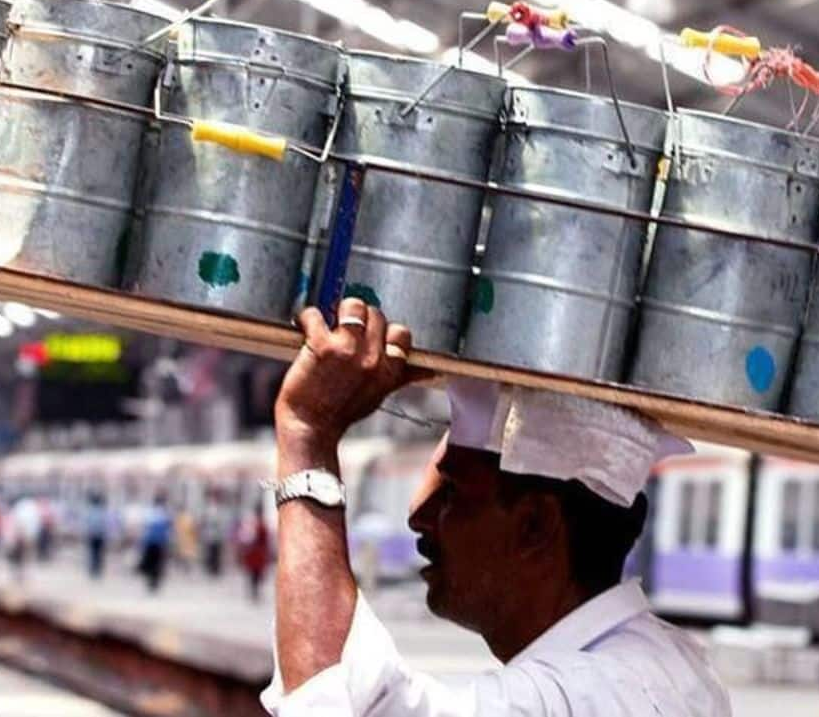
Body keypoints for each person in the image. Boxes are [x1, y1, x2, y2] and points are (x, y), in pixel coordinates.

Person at [260, 298, 730, 716]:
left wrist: (308, 436)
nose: (419, 516)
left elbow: (339, 703)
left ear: (535, 525)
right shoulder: (670, 670)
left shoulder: (585, 693)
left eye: (454, 491)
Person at [137, 493, 172, 593]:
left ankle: (151, 583)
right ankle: (155, 583)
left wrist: (143, 541)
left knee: (151, 563)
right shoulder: (165, 513)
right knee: (157, 564)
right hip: (160, 543)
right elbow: (168, 530)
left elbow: (145, 529)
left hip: (151, 542)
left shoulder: (150, 513)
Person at [238, 501, 272, 602]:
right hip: (256, 553)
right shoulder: (258, 525)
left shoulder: (256, 525)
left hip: (255, 553)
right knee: (255, 574)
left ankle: (254, 592)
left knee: (255, 574)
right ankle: (254, 592)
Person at [199, 488, 231, 578]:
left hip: (217, 535)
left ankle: (215, 569)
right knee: (211, 553)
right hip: (210, 535)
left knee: (216, 553)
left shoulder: (220, 508)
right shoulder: (208, 508)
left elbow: (223, 521)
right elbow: (204, 521)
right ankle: (211, 568)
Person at [85, 491, 111, 579]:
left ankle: (93, 570)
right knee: (99, 553)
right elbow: (106, 524)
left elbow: (87, 524)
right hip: (100, 535)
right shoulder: (103, 511)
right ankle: (98, 570)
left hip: (92, 535)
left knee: (92, 553)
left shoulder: (90, 511)